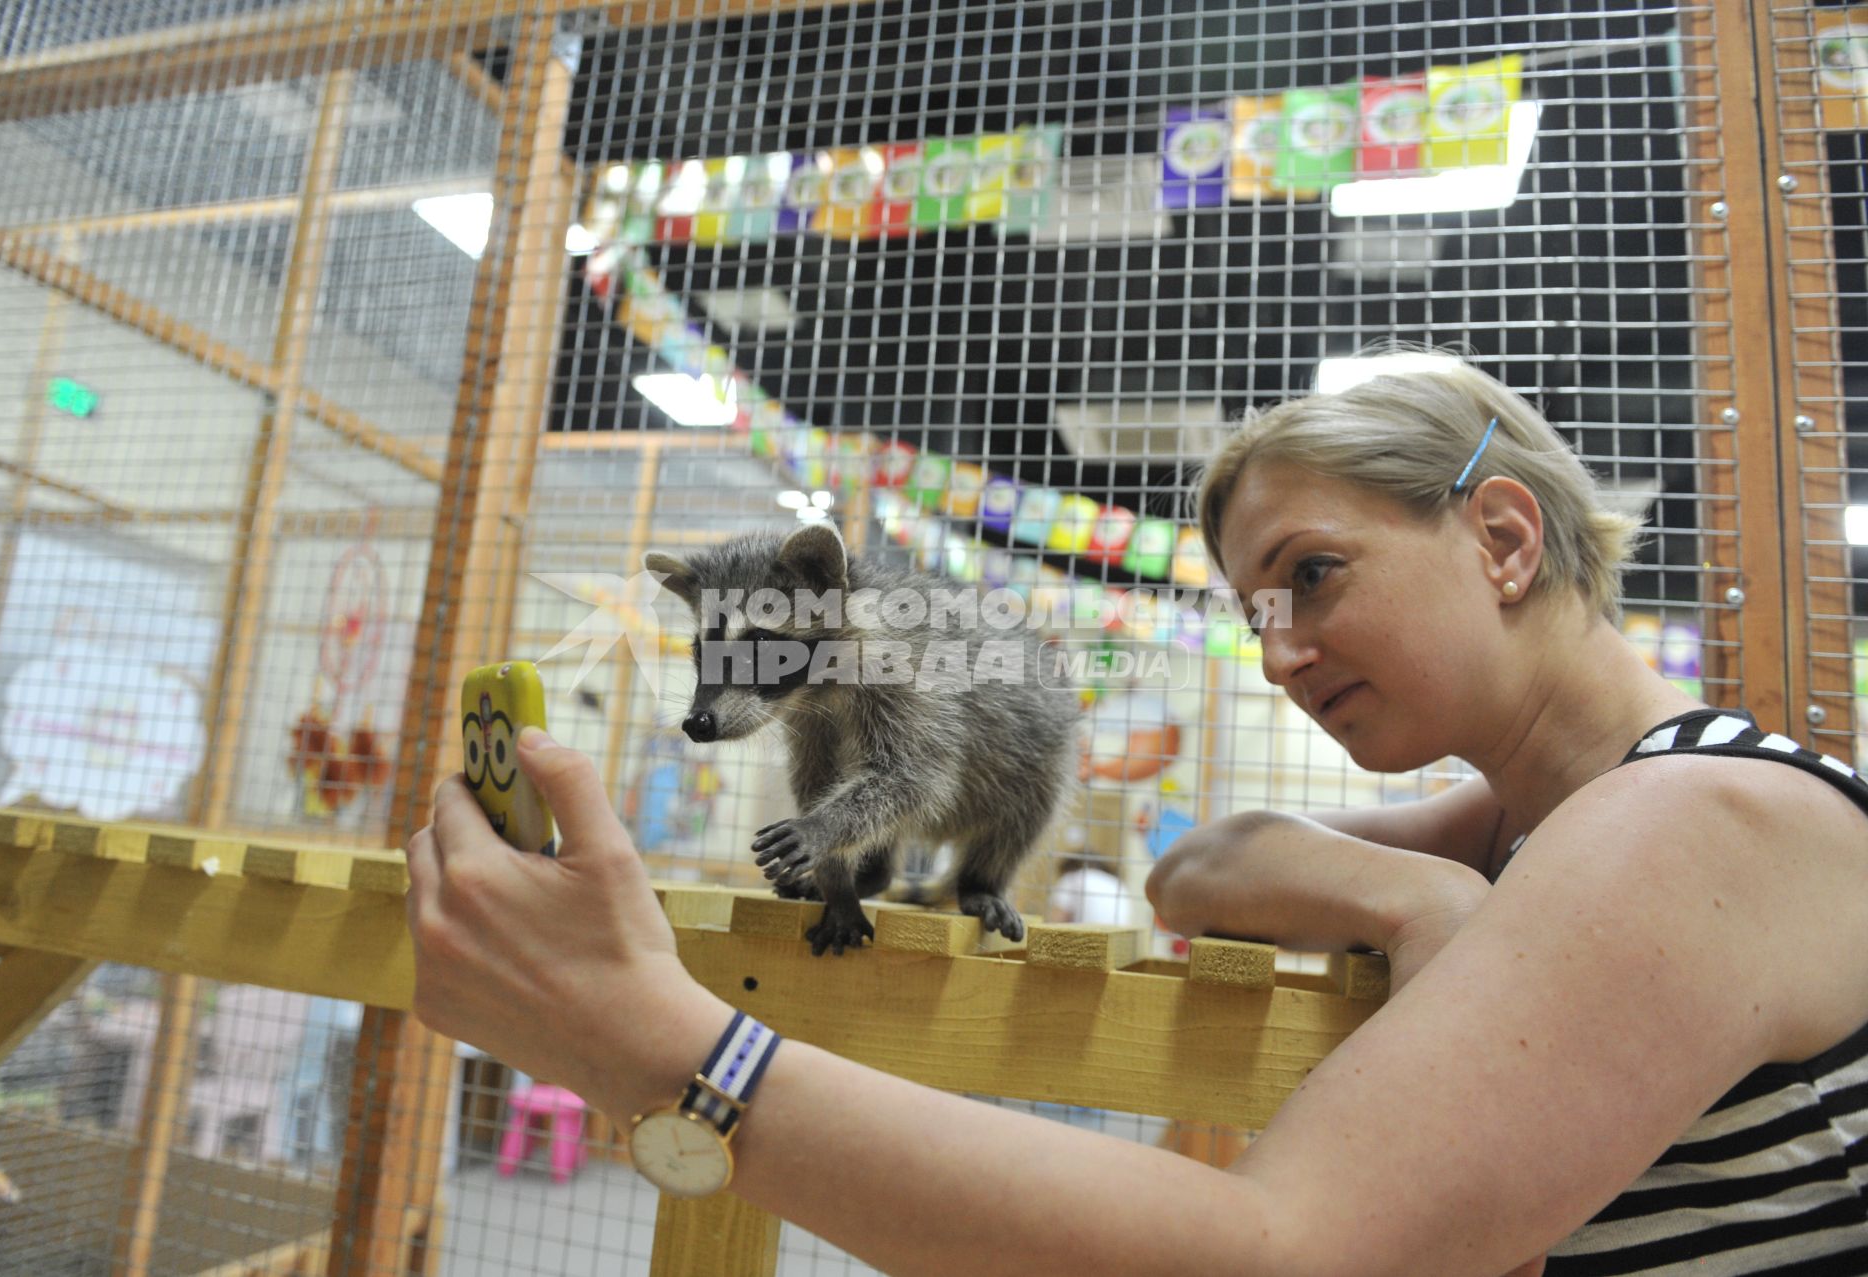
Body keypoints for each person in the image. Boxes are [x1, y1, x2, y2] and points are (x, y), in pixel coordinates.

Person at [403, 362, 1868, 1276]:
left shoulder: (1687, 823)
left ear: (1500, 538)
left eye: (1317, 574)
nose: (1282, 651)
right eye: (1254, 609)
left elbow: (1283, 1257)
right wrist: (1420, 902)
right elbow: (1199, 868)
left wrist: (664, 1046)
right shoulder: (1530, 821)